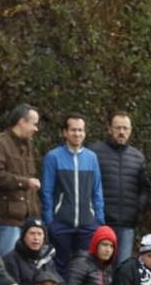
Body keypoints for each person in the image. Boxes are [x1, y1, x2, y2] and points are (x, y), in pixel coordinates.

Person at [40, 114, 105, 275]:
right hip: (61, 222)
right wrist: (49, 220)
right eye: (73, 130)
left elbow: (97, 190)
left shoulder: (91, 157)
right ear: (65, 132)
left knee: (84, 267)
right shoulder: (53, 157)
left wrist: (99, 219)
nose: (77, 134)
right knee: (59, 266)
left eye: (80, 130)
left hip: (87, 223)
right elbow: (47, 190)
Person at [88, 111, 150, 263]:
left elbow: (145, 189)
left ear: (130, 131)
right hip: (100, 222)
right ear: (109, 129)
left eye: (125, 128)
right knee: (98, 267)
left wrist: (137, 209)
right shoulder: (94, 152)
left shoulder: (138, 157)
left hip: (127, 224)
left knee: (122, 267)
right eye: (117, 128)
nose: (121, 132)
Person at [0, 104, 42, 257]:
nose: (36, 129)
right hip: (7, 221)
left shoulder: (29, 145)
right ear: (22, 121)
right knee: (6, 266)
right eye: (34, 124)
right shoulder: (0, 142)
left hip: (27, 220)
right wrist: (25, 182)